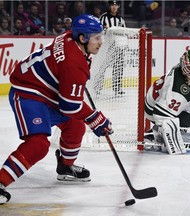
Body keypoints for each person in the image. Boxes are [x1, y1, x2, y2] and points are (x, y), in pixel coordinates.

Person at [0, 14, 113, 204]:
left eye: (101, 36)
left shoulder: (69, 37)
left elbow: (68, 93)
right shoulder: (73, 64)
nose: (101, 42)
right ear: (83, 38)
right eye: (97, 37)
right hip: (28, 94)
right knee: (38, 145)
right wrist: (95, 118)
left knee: (75, 126)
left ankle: (65, 167)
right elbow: (70, 106)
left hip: (46, 93)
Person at [99, 0, 126, 95]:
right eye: (112, 5)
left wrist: (123, 45)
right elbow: (99, 31)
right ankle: (98, 87)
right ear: (109, 6)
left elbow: (124, 32)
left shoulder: (121, 19)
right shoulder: (103, 17)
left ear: (118, 6)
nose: (114, 7)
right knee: (101, 67)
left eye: (116, 5)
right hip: (106, 47)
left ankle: (117, 87)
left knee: (118, 67)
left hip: (118, 47)